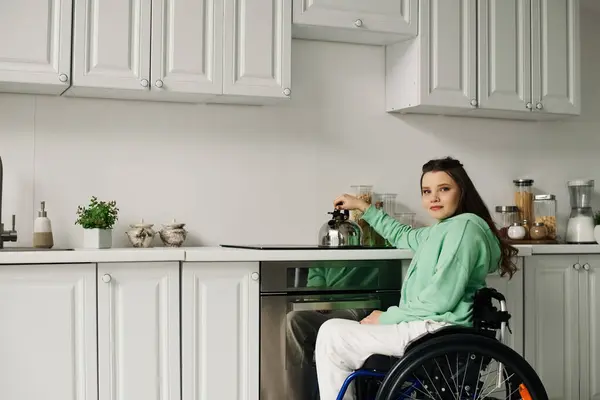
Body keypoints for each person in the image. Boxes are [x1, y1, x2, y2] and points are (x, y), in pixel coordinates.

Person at [314, 157, 518, 400]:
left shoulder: (463, 229)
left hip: (436, 328)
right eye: (426, 191)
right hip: (429, 325)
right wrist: (363, 207)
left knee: (332, 334)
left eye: (444, 189)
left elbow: (439, 301)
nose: (434, 197)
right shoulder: (443, 229)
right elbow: (402, 235)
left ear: (462, 192)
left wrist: (388, 317)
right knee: (334, 332)